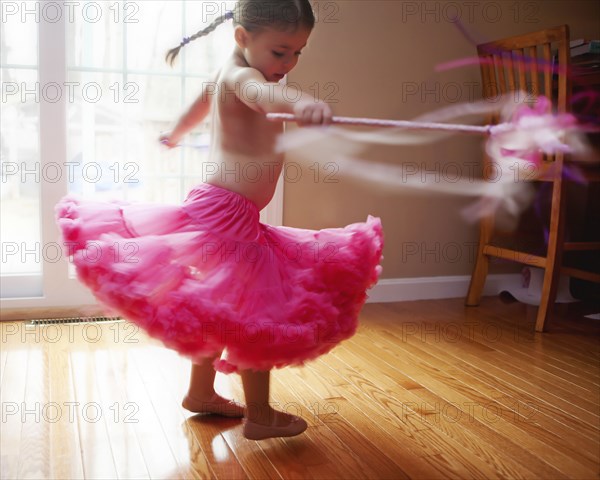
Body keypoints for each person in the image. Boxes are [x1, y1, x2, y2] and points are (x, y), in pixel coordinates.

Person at [56, 0, 383, 441]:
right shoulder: (242, 76)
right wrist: (300, 101)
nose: (288, 64)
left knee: (219, 306)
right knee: (255, 310)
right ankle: (261, 414)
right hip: (227, 213)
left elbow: (198, 107)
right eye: (280, 52)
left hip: (228, 209)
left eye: (298, 53)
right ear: (242, 38)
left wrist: (176, 132)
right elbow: (262, 96)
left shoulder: (226, 73)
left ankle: (200, 393)